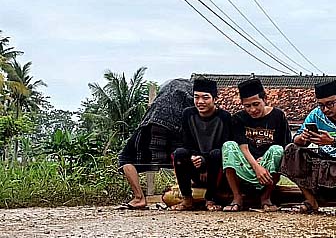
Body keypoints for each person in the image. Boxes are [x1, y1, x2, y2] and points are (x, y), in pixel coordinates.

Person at [281, 80, 336, 218]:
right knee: (291, 149)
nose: (326, 109)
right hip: (321, 163)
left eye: (330, 104)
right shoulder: (316, 115)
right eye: (321, 105)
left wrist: (333, 141)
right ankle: (310, 200)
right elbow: (296, 138)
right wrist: (303, 138)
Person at [117, 79, 193, 210]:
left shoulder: (161, 98)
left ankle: (139, 198)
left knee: (125, 158)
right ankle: (188, 197)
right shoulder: (190, 95)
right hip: (178, 127)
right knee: (183, 157)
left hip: (154, 123)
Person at [221, 78, 291, 212]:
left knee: (278, 150)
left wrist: (262, 163)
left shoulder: (278, 116)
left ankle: (266, 197)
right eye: (247, 106)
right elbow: (243, 147)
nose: (252, 109)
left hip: (267, 167)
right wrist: (256, 166)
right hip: (246, 164)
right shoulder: (238, 118)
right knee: (228, 146)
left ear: (265, 99)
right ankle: (237, 197)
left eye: (256, 104)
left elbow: (284, 144)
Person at [171, 77, 233, 211]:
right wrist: (195, 157)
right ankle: (187, 198)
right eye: (196, 97)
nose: (200, 102)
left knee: (217, 154)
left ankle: (210, 199)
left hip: (216, 169)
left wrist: (204, 161)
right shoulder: (188, 114)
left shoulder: (224, 117)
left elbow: (225, 145)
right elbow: (186, 142)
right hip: (195, 163)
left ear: (214, 99)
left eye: (205, 98)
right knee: (179, 153)